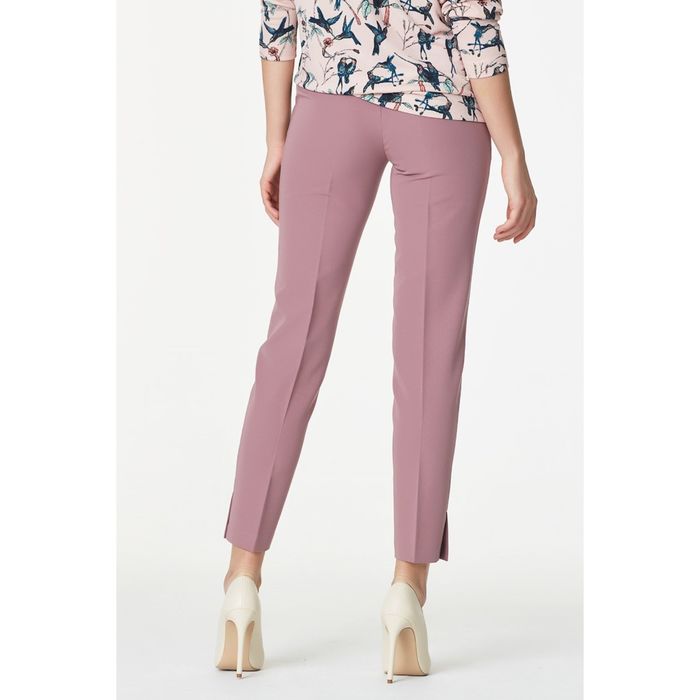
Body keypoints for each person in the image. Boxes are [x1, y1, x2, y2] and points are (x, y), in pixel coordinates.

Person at [215, 0, 537, 682]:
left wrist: (277, 138)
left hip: (327, 101)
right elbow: (473, 23)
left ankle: (241, 580)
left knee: (293, 337)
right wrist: (513, 153)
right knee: (427, 351)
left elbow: (278, 14)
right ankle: (406, 593)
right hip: (441, 105)